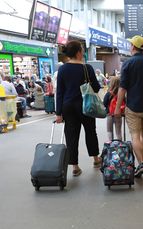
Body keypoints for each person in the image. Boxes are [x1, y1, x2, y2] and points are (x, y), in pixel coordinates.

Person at [114, 35, 143, 178]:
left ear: (133, 47)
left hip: (133, 106)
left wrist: (117, 108)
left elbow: (122, 88)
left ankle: (140, 162)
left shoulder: (127, 64)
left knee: (135, 135)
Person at [56, 40, 102, 176]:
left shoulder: (62, 69)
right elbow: (96, 87)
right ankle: (95, 159)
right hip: (86, 105)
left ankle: (75, 167)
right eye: (82, 50)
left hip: (68, 106)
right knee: (90, 131)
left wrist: (58, 113)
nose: (83, 53)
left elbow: (60, 92)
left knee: (71, 135)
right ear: (78, 53)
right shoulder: (87, 68)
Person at [103, 76, 123, 141]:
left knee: (109, 131)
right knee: (118, 132)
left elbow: (104, 104)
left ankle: (110, 145)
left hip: (110, 115)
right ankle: (120, 145)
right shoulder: (121, 94)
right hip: (118, 115)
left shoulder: (108, 94)